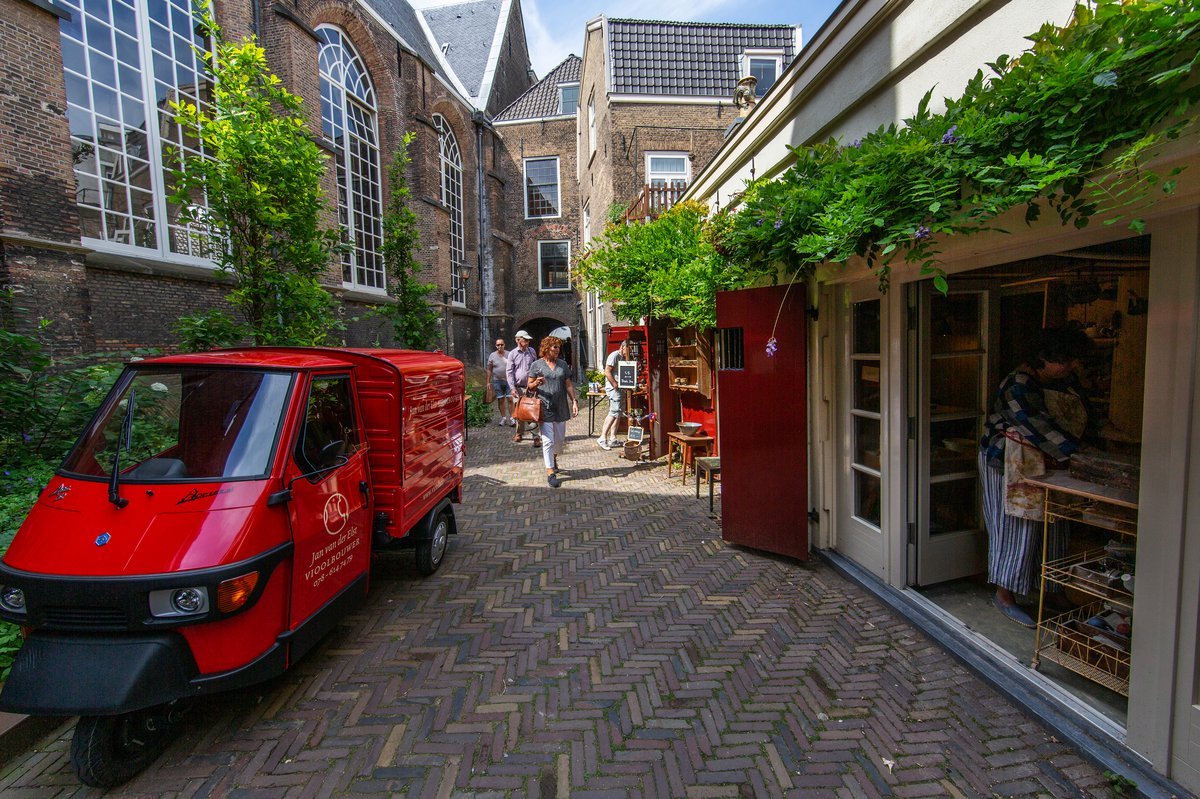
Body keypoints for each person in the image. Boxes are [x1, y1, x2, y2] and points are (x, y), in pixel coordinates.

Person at [978, 327, 1136, 627]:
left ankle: (1051, 590)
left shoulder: (1067, 382)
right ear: (1043, 357)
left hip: (1054, 461)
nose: (1071, 366)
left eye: (1073, 360)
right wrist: (1082, 454)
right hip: (1012, 460)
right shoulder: (1017, 385)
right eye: (1065, 360)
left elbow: (1088, 416)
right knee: (1016, 525)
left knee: (1056, 524)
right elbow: (1037, 427)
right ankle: (1005, 593)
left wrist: (1109, 436)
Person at [526, 336, 578, 488]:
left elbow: (568, 385)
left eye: (558, 347)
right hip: (544, 406)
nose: (557, 349)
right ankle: (550, 472)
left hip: (561, 406)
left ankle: (554, 457)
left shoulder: (562, 365)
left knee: (560, 440)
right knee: (548, 441)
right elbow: (529, 385)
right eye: (554, 347)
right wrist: (536, 382)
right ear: (546, 348)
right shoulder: (537, 365)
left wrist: (574, 401)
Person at [505, 330, 540, 446]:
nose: (528, 342)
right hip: (518, 387)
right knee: (519, 411)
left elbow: (536, 367)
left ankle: (535, 435)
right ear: (518, 340)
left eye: (528, 340)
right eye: (525, 340)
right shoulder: (512, 354)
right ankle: (519, 433)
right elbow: (509, 372)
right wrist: (512, 388)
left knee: (533, 410)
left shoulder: (532, 352)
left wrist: (536, 382)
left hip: (531, 387)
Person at [597, 339, 631, 450]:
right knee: (613, 412)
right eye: (628, 348)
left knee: (618, 413)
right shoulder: (614, 355)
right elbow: (607, 371)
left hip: (620, 389)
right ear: (623, 347)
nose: (629, 351)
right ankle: (602, 438)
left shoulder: (622, 357)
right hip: (614, 389)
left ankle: (613, 438)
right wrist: (614, 384)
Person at [486, 337, 512, 427]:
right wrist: (488, 382)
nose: (500, 346)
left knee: (510, 399)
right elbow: (489, 369)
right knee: (500, 400)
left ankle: (512, 418)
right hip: (497, 381)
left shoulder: (509, 354)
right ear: (496, 346)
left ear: (504, 345)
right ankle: (503, 418)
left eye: (501, 344)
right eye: (498, 345)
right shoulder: (492, 355)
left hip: (509, 381)